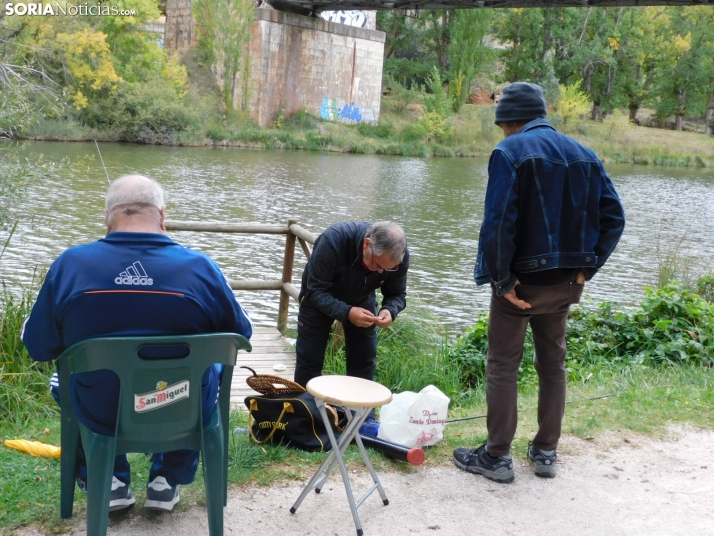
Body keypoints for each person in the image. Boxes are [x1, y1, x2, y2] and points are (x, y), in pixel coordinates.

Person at [22, 175, 253, 512]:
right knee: (207, 370)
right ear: (162, 214)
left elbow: (38, 347)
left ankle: (110, 480)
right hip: (179, 407)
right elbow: (241, 333)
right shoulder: (201, 268)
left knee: (64, 377)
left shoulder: (69, 265)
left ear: (107, 216)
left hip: (101, 411)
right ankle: (166, 480)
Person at [453, 82, 625, 483]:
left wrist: (502, 279)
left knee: (502, 365)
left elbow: (497, 224)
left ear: (509, 120)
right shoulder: (585, 154)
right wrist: (587, 269)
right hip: (566, 283)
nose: (501, 134)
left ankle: (496, 456)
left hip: (521, 283)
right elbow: (615, 217)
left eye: (501, 125)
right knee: (553, 364)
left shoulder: (509, 152)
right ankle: (546, 450)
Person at [294, 221, 409, 429]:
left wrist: (389, 310)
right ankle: (305, 421)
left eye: (388, 270)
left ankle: (360, 421)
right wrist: (347, 313)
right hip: (319, 297)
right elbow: (315, 290)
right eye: (377, 265)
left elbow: (397, 294)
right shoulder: (333, 241)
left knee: (364, 360)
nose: (381, 273)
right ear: (367, 245)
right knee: (309, 361)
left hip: (362, 298)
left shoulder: (398, 257)